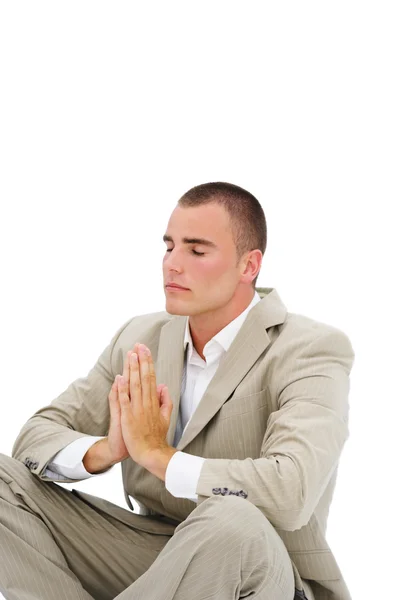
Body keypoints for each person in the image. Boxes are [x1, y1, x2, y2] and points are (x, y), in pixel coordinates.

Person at [0, 181, 355, 600]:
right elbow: (35, 438)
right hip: (156, 554)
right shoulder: (140, 338)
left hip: (262, 571)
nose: (172, 264)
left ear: (249, 266)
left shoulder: (309, 348)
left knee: (231, 520)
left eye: (196, 250)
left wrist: (159, 456)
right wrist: (107, 450)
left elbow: (290, 491)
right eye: (169, 246)